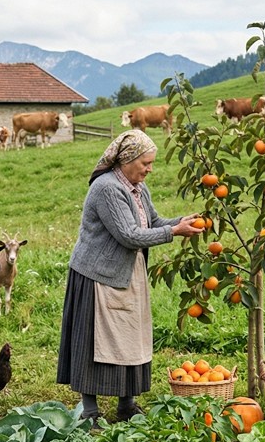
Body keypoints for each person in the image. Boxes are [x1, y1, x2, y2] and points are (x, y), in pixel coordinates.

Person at [56, 129, 203, 423]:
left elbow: (153, 222)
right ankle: (90, 411)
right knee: (95, 341)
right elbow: (128, 234)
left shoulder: (137, 188)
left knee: (129, 336)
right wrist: (173, 232)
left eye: (151, 163)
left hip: (127, 272)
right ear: (127, 159)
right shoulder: (107, 188)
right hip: (97, 274)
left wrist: (181, 222)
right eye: (146, 163)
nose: (150, 169)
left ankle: (127, 404)